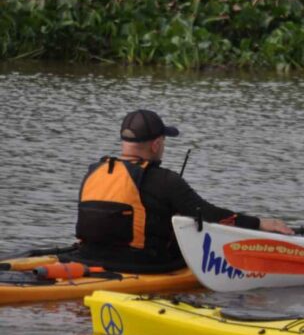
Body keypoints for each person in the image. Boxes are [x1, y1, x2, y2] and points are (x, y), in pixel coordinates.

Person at [75, 109, 292, 273]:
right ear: (156, 144)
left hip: (87, 256)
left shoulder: (95, 172)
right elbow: (211, 215)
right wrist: (259, 223)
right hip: (141, 264)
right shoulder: (166, 180)